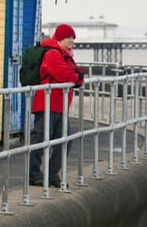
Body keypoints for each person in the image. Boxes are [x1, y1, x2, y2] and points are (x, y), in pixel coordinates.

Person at [29, 23, 85, 188]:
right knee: (40, 140)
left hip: (60, 105)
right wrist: (77, 76)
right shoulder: (53, 54)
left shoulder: (65, 54)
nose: (71, 40)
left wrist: (77, 76)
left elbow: (77, 74)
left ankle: (52, 175)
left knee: (64, 140)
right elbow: (66, 74)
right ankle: (34, 174)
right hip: (47, 103)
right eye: (68, 37)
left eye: (73, 38)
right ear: (60, 38)